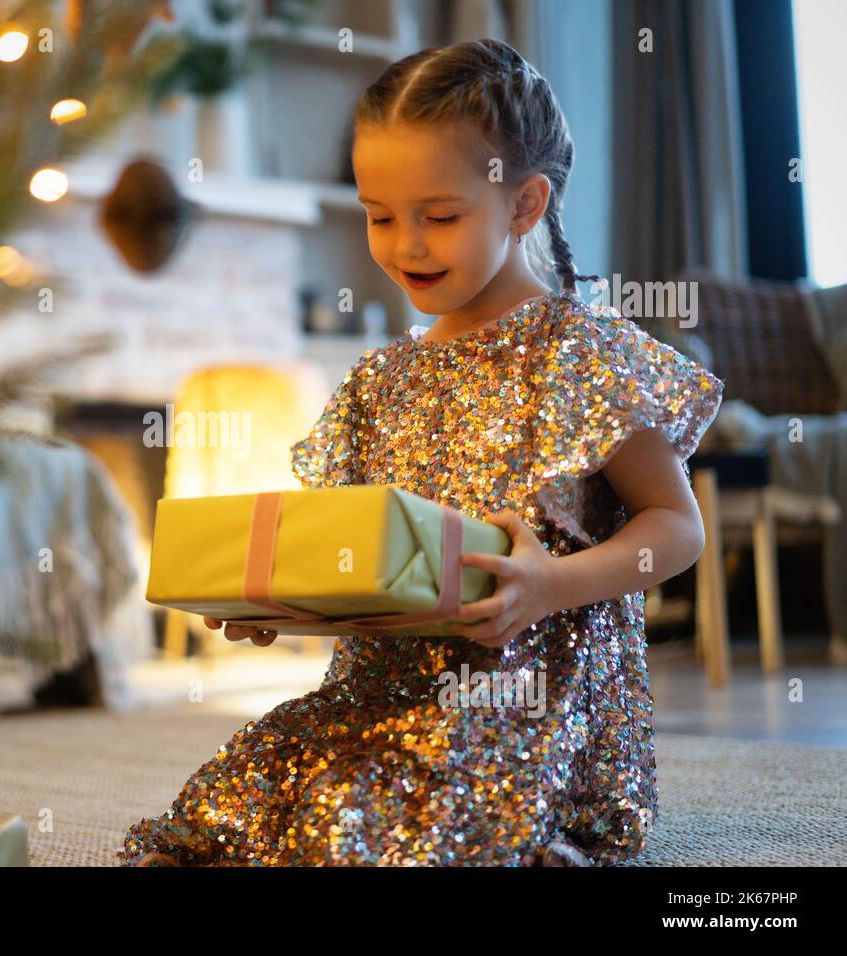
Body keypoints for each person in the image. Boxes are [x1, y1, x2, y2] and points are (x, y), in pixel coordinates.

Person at [118, 38, 722, 866]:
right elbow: (354, 546)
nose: (405, 246)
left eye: (439, 217)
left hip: (530, 701)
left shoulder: (583, 354)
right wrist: (281, 601)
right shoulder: (379, 379)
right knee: (228, 812)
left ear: (524, 204)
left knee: (360, 834)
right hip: (378, 693)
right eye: (378, 216)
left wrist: (553, 583)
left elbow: (677, 527)